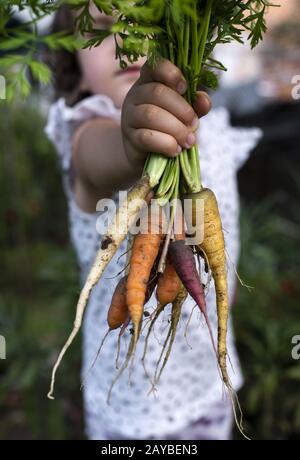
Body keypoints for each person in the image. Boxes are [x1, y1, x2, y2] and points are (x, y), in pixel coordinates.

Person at [44, 4, 261, 440]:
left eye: (147, 27)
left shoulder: (209, 128)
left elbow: (224, 240)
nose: (126, 44)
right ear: (75, 67)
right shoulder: (87, 133)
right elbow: (100, 156)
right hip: (124, 412)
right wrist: (131, 144)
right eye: (101, 30)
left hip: (206, 388)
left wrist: (223, 298)